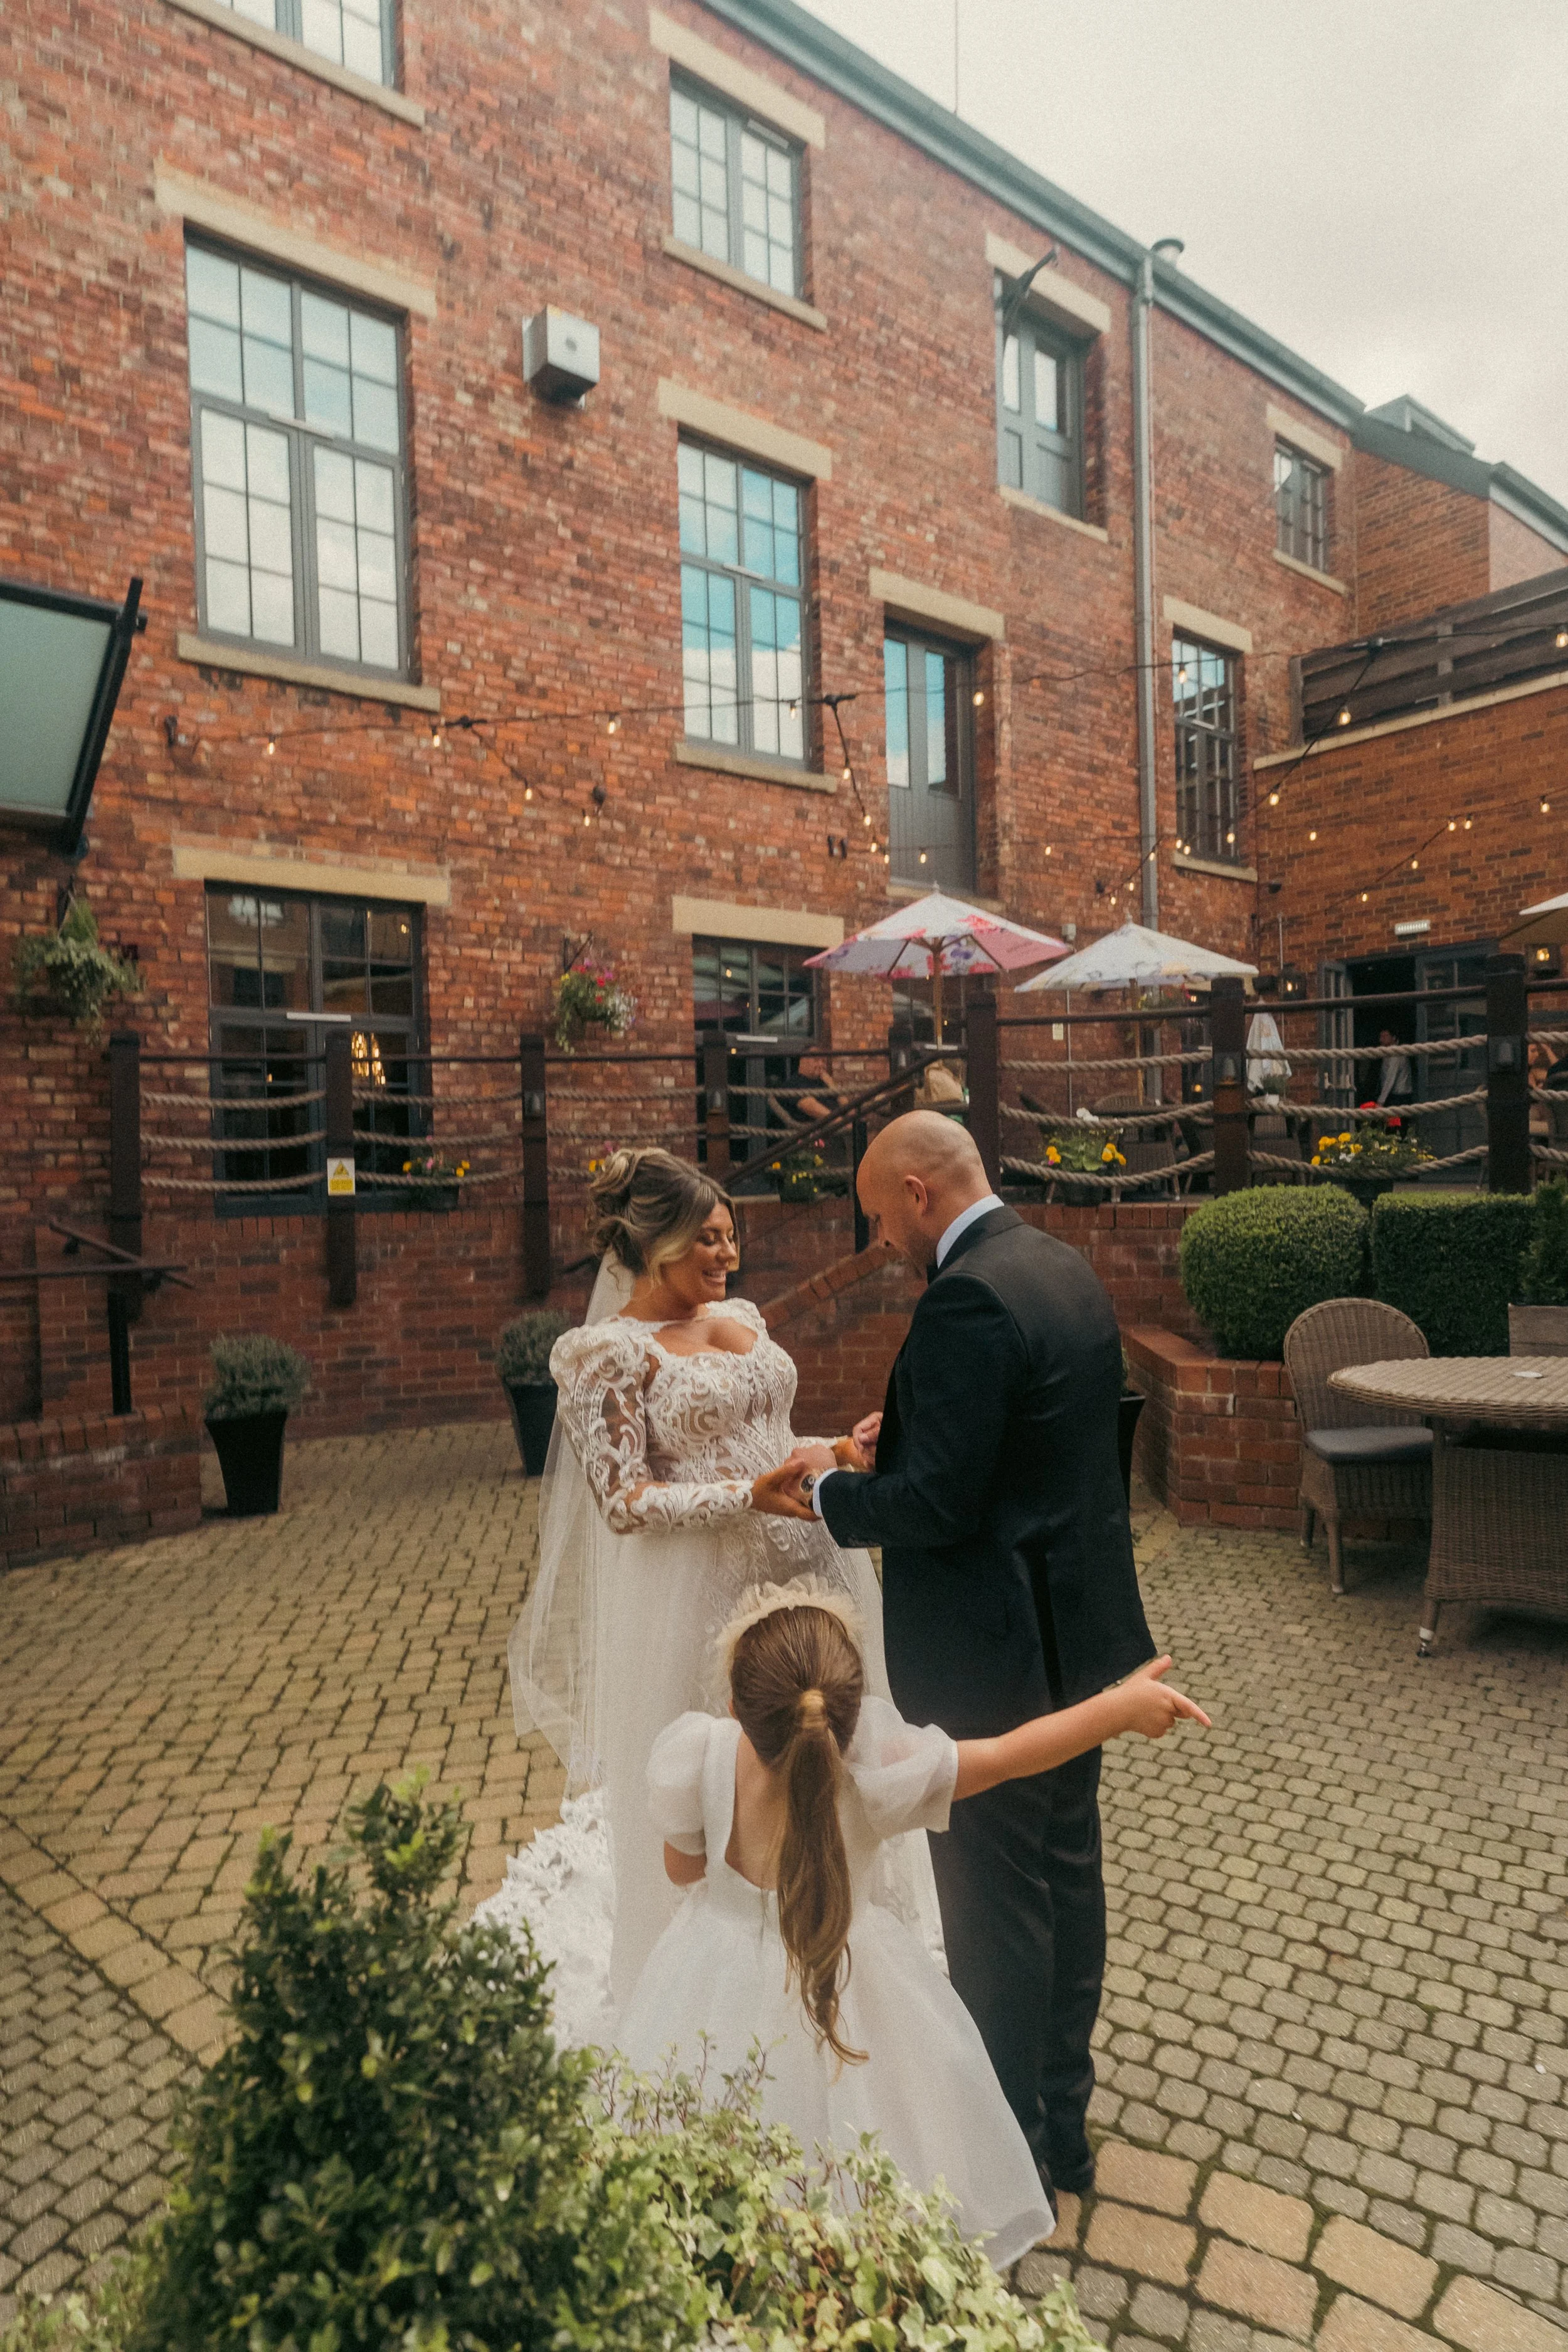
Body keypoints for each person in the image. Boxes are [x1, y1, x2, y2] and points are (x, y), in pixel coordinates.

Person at [751, 1112, 1157, 2201]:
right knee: (1070, 1879)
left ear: (921, 1194)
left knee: (996, 1906)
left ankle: (1012, 2146)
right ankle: (1063, 2128)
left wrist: (826, 1491)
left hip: (996, 1658)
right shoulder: (1059, 1264)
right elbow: (1037, 1446)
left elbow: (937, 1506)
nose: (883, 1239)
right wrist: (920, 1430)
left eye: (882, 1218)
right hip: (1084, 1638)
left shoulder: (966, 1297)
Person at [484, 1148, 938, 2035]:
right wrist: (744, 1496)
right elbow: (622, 1499)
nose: (726, 1257)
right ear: (652, 1245)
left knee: (828, 1747)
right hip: (701, 1594)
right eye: (707, 1242)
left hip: (808, 1568)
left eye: (732, 1237)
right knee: (728, 1780)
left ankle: (847, 1949)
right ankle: (718, 1992)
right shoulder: (602, 1353)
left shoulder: (738, 1315)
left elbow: (762, 1434)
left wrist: (831, 1451)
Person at [619, 1589, 1208, 2265]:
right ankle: (837, 2269)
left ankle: (726, 2253)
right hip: (845, 1985)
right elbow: (1010, 1755)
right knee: (850, 2138)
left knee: (717, 2125)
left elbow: (681, 1870)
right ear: (848, 1718)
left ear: (736, 1707)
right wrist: (1115, 1711)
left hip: (710, 1980)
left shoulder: (698, 1755)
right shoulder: (876, 1774)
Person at [1374, 1027, 1414, 1108]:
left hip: (1399, 1098)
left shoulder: (1396, 1054)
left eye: (1385, 1036)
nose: (1382, 1039)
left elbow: (1390, 1079)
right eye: (1381, 1036)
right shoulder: (1386, 1053)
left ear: (1394, 1038)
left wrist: (1381, 1101)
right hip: (1393, 1096)